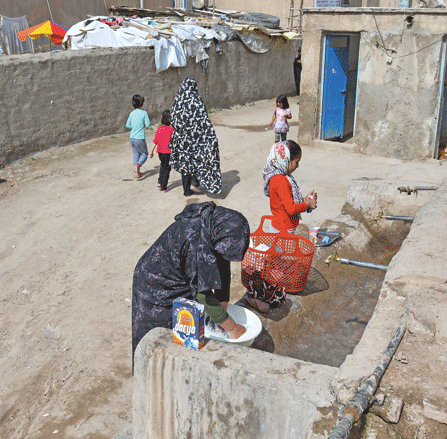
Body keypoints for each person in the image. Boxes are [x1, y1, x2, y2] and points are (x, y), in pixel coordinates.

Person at [132, 202, 250, 362]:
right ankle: (151, 379)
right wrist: (232, 327)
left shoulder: (213, 225)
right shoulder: (197, 243)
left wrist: (223, 302)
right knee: (158, 343)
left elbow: (222, 262)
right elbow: (203, 295)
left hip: (180, 276)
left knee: (183, 332)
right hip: (154, 286)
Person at [245, 141, 317, 313]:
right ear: (285, 159)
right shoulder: (281, 181)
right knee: (278, 261)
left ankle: (264, 289)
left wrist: (305, 200)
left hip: (281, 224)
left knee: (278, 259)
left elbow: (289, 203)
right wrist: (307, 205)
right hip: (283, 228)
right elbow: (291, 208)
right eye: (296, 162)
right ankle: (261, 294)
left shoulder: (278, 177)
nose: (297, 166)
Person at [169, 77, 222, 196]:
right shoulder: (197, 100)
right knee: (199, 160)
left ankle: (187, 191)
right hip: (196, 139)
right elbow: (204, 119)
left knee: (185, 163)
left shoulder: (178, 101)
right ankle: (194, 182)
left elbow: (173, 119)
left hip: (182, 140)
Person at [126, 94, 150, 179]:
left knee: (136, 154)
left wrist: (134, 127)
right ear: (142, 104)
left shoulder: (131, 113)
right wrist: (143, 126)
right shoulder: (144, 113)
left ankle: (137, 173)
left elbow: (127, 125)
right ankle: (138, 166)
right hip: (140, 138)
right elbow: (147, 125)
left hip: (132, 137)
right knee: (144, 154)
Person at [150, 110, 174, 193]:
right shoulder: (171, 130)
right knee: (167, 169)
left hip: (160, 152)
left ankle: (160, 182)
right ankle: (164, 187)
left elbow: (155, 141)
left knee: (162, 166)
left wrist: (151, 151)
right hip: (167, 152)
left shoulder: (159, 129)